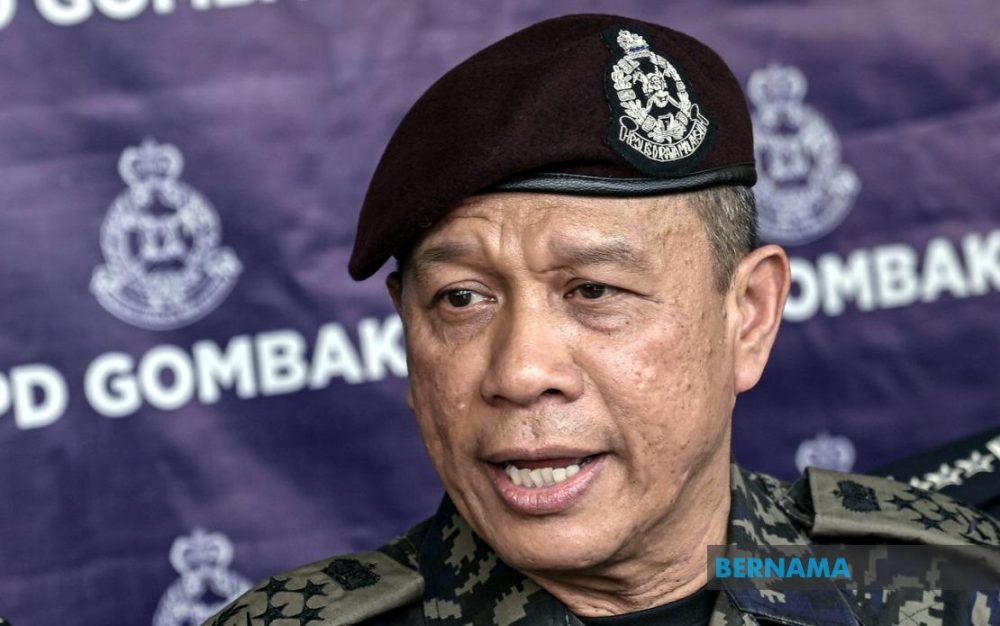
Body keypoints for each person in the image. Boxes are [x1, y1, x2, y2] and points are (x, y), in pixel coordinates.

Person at [206, 14, 999, 626]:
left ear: (749, 317)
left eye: (593, 291)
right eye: (462, 299)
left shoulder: (950, 589)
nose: (521, 371)